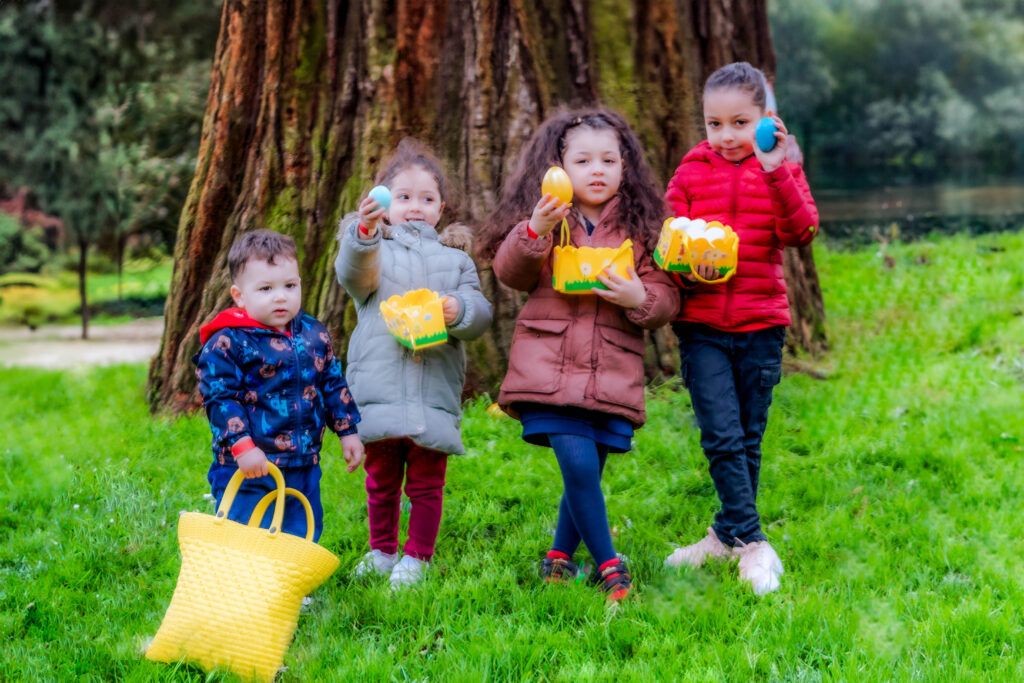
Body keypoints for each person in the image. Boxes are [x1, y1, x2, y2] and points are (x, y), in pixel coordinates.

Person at [477, 108, 680, 601]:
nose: (596, 170)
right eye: (583, 159)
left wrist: (639, 298)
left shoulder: (643, 227)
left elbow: (666, 295)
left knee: (586, 467)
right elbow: (511, 273)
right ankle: (610, 566)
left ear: (625, 168)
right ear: (558, 166)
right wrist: (534, 230)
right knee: (579, 464)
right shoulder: (550, 217)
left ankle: (559, 557)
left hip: (610, 369)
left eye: (609, 159)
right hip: (547, 364)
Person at [662, 62, 819, 595]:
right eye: (714, 124)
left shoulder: (780, 167)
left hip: (761, 323)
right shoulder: (690, 171)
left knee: (748, 438)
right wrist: (685, 265)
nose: (726, 136)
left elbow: (801, 232)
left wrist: (776, 169)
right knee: (721, 434)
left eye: (739, 123)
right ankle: (753, 542)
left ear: (766, 119)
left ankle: (724, 535)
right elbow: (666, 244)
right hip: (701, 324)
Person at [335, 139, 492, 588]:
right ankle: (382, 550)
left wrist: (457, 310)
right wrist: (362, 234)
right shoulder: (373, 250)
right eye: (403, 197)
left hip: (431, 390)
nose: (416, 207)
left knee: (426, 482)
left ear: (441, 207)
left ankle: (417, 557)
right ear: (383, 204)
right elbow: (353, 274)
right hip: (380, 389)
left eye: (427, 198)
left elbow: (479, 314)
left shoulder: (456, 260)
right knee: (380, 480)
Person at [196, 229, 365, 542]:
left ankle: (291, 587)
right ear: (239, 295)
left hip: (302, 460)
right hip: (248, 464)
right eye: (265, 288)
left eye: (289, 285)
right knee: (246, 531)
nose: (280, 296)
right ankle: (246, 587)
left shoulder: (313, 334)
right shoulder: (228, 341)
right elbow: (220, 398)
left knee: (299, 530)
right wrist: (241, 444)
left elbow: (332, 383)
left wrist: (347, 431)